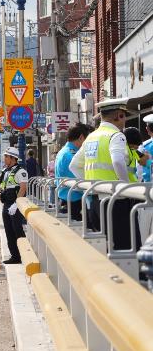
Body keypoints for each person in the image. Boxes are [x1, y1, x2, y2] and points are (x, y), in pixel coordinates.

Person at [69, 98, 138, 251]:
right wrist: (125, 186)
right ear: (118, 116)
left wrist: (91, 184)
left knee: (106, 248)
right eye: (123, 115)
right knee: (125, 248)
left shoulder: (91, 137)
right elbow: (118, 162)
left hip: (95, 202)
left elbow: (74, 165)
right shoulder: (116, 135)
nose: (124, 119)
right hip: (116, 201)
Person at [0, 147, 28, 264]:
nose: (4, 159)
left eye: (6, 157)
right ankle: (15, 256)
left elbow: (23, 188)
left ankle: (26, 255)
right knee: (8, 231)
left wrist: (16, 204)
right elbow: (2, 188)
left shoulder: (20, 171)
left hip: (15, 205)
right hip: (6, 204)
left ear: (13, 158)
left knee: (17, 230)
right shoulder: (5, 171)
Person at [55, 123, 92, 221]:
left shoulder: (63, 151)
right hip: (74, 201)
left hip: (67, 199)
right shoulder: (71, 155)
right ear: (81, 137)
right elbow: (81, 177)